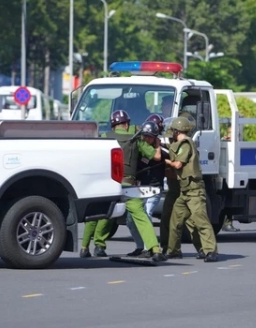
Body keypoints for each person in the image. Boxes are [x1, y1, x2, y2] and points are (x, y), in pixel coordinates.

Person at [82, 110, 167, 261]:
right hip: (128, 185)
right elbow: (156, 156)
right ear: (127, 124)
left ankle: (84, 248)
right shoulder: (136, 140)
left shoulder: (104, 138)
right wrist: (158, 144)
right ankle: (155, 249)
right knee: (141, 216)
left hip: (107, 184)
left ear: (113, 125)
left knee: (95, 214)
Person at [164, 116, 218, 262]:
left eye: (173, 131)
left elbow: (177, 165)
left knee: (201, 221)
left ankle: (211, 251)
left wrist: (164, 159)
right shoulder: (180, 144)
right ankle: (173, 250)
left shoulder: (186, 144)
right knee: (176, 221)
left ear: (177, 131)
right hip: (184, 191)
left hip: (194, 191)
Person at [125, 119, 168, 256]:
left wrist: (159, 148)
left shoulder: (160, 152)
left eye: (150, 136)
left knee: (147, 214)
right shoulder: (139, 148)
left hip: (154, 189)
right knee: (130, 220)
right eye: (145, 135)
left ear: (155, 138)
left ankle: (148, 248)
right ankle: (140, 246)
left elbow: (169, 160)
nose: (147, 138)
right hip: (140, 189)